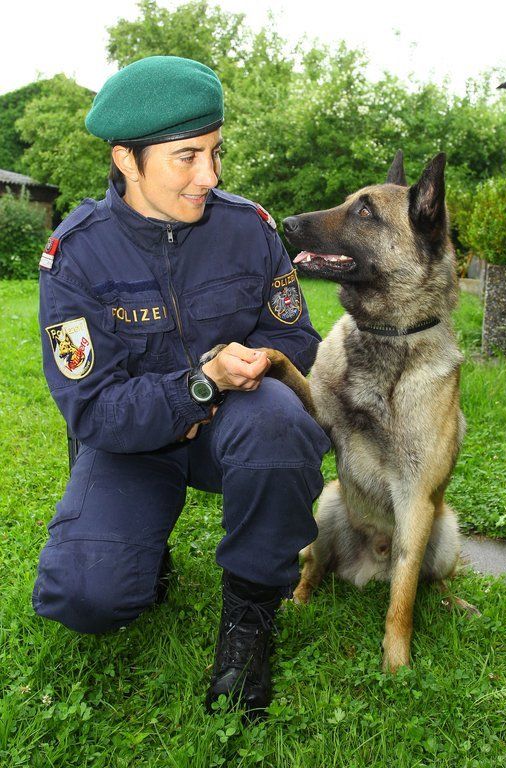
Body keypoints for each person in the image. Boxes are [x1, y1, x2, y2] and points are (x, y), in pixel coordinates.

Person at [33, 55, 330, 718]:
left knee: (282, 423)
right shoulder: (75, 256)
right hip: (133, 443)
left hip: (236, 428)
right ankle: (139, 545)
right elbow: (93, 407)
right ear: (127, 160)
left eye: (216, 152)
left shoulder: (248, 228)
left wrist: (252, 365)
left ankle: (250, 617)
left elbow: (295, 339)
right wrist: (196, 385)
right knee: (87, 598)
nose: (210, 176)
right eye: (187, 157)